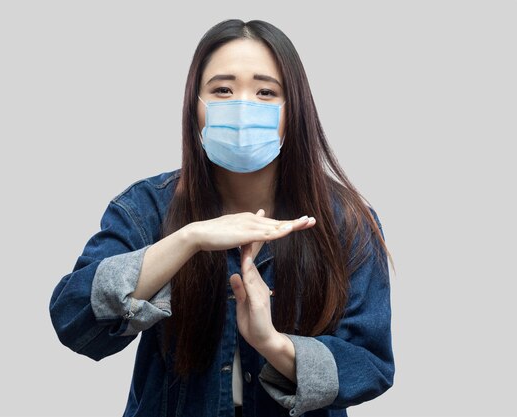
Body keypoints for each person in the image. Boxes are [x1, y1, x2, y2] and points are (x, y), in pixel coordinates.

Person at [49, 19, 394, 417]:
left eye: (266, 92)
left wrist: (272, 344)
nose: (243, 107)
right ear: (195, 105)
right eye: (222, 91)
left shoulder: (347, 221)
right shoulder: (146, 207)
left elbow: (371, 364)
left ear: (293, 108)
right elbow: (73, 319)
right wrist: (188, 239)